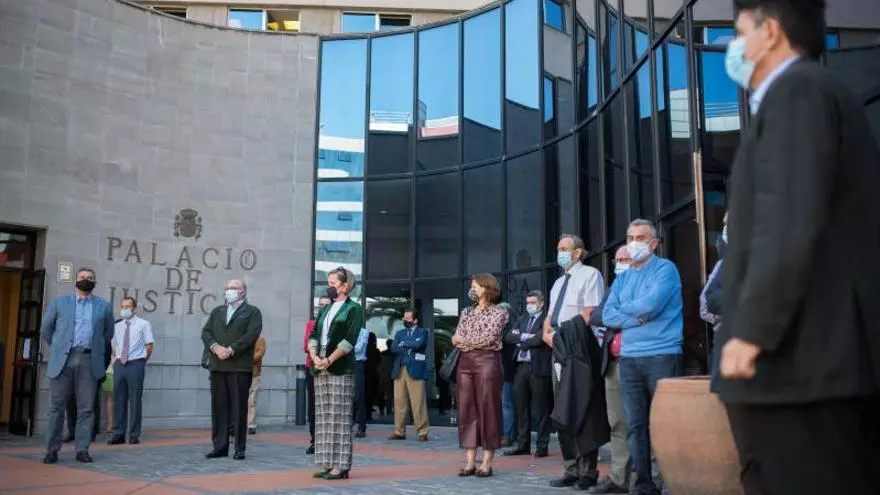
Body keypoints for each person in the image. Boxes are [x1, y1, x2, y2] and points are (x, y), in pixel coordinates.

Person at [715, 1, 880, 493]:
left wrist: (752, 330)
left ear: (770, 32)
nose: (732, 47)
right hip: (798, 365)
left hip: (803, 363)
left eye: (739, 32)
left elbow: (787, 219)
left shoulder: (799, 91)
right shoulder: (800, 95)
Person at [603, 219, 683, 495]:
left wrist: (626, 310)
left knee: (664, 423)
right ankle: (644, 485)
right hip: (629, 358)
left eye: (641, 238)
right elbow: (607, 314)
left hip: (662, 354)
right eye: (630, 238)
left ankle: (671, 483)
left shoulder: (665, 269)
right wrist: (636, 317)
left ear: (655, 243)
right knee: (635, 426)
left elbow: (652, 304)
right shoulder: (623, 277)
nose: (634, 243)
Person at [542, 234, 605, 490]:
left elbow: (589, 313)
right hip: (557, 348)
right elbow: (549, 317)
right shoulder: (558, 283)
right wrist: (547, 334)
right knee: (563, 409)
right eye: (559, 249)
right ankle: (570, 468)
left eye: (564, 249)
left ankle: (588, 471)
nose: (560, 253)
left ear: (578, 252)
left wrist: (561, 335)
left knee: (583, 409)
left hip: (579, 346)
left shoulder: (590, 275)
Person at [41, 267, 114, 464]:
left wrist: (96, 351)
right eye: (82, 277)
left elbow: (108, 334)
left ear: (95, 282)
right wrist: (59, 347)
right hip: (63, 360)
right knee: (56, 407)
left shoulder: (104, 306)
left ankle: (82, 449)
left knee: (86, 408)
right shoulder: (60, 302)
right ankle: (52, 449)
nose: (86, 280)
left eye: (90, 278)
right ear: (75, 280)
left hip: (89, 360)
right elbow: (46, 328)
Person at [308, 267, 364, 481]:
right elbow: (314, 333)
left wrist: (330, 359)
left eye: (332, 282)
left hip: (340, 366)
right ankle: (326, 462)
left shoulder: (354, 309)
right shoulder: (325, 308)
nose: (328, 286)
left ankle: (341, 466)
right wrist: (314, 355)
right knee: (323, 416)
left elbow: (350, 339)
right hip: (320, 364)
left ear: (344, 285)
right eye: (328, 282)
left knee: (339, 417)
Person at [453, 274, 509, 478]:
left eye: (477, 286)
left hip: (488, 362)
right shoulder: (466, 311)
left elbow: (489, 337)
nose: (473, 289)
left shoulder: (500, 312)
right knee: (466, 410)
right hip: (464, 362)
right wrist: (465, 341)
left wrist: (465, 341)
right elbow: (455, 337)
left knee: (488, 409)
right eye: (472, 286)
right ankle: (470, 462)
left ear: (488, 288)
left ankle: (486, 463)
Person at [588, 246, 634, 494]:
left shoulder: (649, 283)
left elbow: (645, 313)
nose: (620, 264)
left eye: (625, 259)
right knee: (618, 423)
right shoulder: (613, 288)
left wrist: (615, 314)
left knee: (644, 422)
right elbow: (596, 316)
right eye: (617, 260)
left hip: (639, 360)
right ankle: (619, 478)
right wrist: (623, 315)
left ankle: (652, 479)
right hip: (614, 362)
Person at [202, 279, 263, 460]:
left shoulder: (252, 312)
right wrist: (215, 347)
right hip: (218, 366)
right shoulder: (218, 311)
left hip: (239, 366)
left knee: (238, 408)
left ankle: (239, 447)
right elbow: (206, 332)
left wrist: (231, 349)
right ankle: (220, 446)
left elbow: (251, 335)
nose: (230, 290)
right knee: (219, 408)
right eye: (228, 287)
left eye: (234, 288)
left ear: (243, 291)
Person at [503, 290, 552, 458]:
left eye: (533, 302)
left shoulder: (547, 319)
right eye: (528, 302)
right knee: (521, 407)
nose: (530, 306)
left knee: (541, 408)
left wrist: (522, 338)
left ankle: (542, 446)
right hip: (521, 367)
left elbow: (540, 339)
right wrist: (527, 337)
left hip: (538, 368)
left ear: (541, 303)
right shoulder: (522, 318)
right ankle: (523, 444)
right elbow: (509, 337)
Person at [108, 297, 154, 446]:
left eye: (127, 306)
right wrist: (118, 358)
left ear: (134, 309)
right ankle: (118, 434)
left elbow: (149, 346)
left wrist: (141, 361)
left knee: (135, 400)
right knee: (118, 399)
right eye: (122, 306)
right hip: (120, 364)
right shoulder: (117, 326)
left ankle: (134, 434)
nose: (124, 309)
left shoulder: (143, 324)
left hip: (136, 363)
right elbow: (114, 346)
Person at [387, 310, 430, 442]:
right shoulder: (399, 333)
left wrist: (403, 343)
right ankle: (399, 431)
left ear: (415, 320)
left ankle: (422, 431)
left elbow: (419, 344)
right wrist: (409, 344)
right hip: (400, 370)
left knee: (418, 402)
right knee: (399, 401)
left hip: (416, 370)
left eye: (408, 318)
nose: (405, 320)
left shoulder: (422, 332)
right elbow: (393, 348)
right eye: (404, 318)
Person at [304, 296, 331, 455]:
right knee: (314, 406)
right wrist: (318, 358)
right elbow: (307, 345)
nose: (322, 308)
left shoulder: (335, 323)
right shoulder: (311, 324)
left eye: (326, 305)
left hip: (331, 367)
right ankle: (315, 440)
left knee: (329, 405)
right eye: (320, 305)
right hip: (313, 367)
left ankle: (328, 440)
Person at [497, 301, 518, 447]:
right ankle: (499, 433)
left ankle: (508, 434)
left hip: (507, 370)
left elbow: (503, 341)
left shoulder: (512, 328)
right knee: (499, 404)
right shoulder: (497, 328)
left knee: (506, 404)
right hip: (495, 371)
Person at [353, 327, 371, 438]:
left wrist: (343, 349)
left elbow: (358, 348)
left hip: (357, 364)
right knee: (346, 396)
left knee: (359, 396)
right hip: (346, 364)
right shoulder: (346, 330)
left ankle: (362, 427)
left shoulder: (364, 332)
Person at [247, 335, 266, 435]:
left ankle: (251, 424)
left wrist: (245, 360)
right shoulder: (241, 337)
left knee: (252, 400)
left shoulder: (260, 339)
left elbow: (260, 354)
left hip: (254, 374)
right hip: (241, 373)